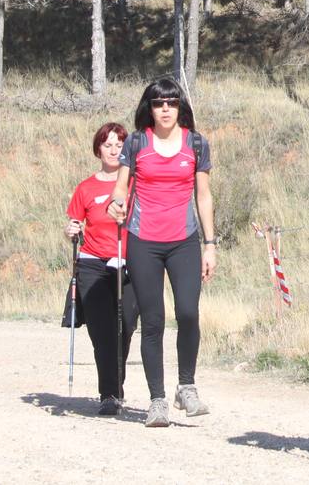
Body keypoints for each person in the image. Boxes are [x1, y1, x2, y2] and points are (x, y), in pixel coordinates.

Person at [106, 77, 217, 428]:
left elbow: (203, 196)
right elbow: (121, 186)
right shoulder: (137, 143)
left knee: (187, 312)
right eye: (158, 103)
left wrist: (210, 245)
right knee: (152, 322)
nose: (165, 109)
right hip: (143, 241)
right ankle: (157, 401)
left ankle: (186, 386)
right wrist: (117, 204)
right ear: (149, 108)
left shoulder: (196, 144)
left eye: (171, 102)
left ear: (180, 106)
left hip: (184, 240)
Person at [64, 122, 139, 416]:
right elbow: (73, 223)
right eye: (107, 145)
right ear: (98, 149)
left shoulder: (135, 184)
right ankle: (109, 393)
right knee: (102, 330)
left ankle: (115, 382)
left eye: (119, 145)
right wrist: (70, 230)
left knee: (127, 325)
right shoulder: (86, 188)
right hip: (92, 263)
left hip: (130, 262)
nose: (113, 150)